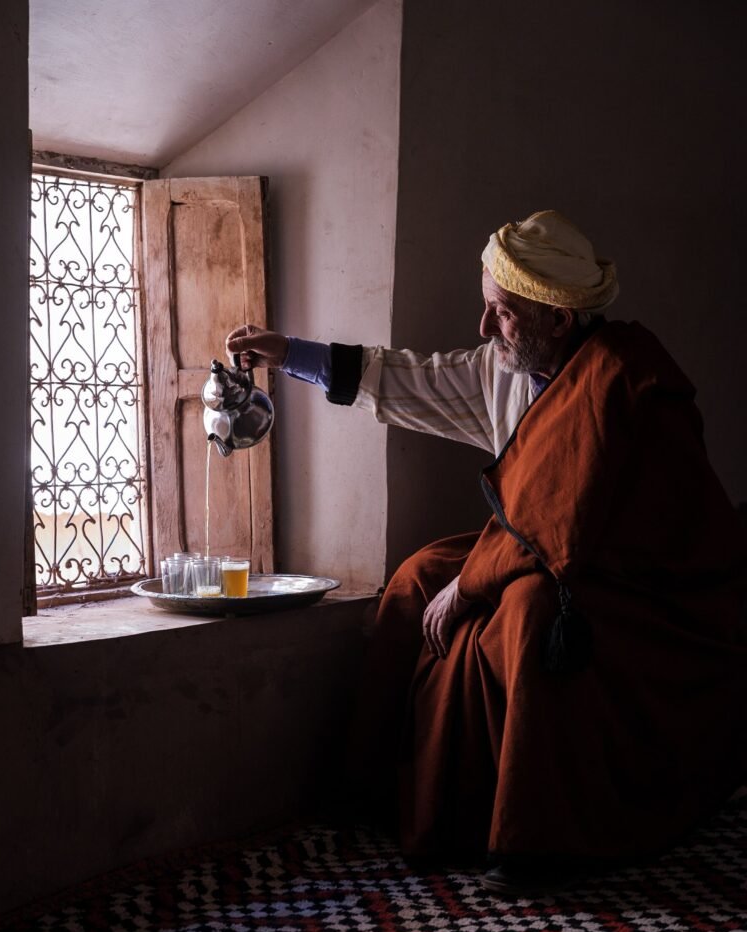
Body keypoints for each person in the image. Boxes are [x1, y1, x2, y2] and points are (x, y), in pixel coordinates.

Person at [226, 210, 747, 895]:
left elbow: (579, 517)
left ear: (558, 318)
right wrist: (286, 352)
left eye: (501, 312)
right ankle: (379, 789)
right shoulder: (503, 368)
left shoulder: (619, 373)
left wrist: (472, 585)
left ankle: (533, 843)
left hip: (629, 576)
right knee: (417, 576)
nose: (482, 328)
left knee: (528, 610)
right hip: (537, 544)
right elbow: (404, 380)